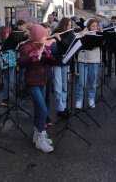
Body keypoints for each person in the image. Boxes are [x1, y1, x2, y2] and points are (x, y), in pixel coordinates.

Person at [18, 24, 55, 152]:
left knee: (39, 109)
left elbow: (52, 62)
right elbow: (21, 63)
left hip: (42, 81)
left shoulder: (42, 46)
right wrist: (31, 57)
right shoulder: (26, 47)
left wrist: (48, 55)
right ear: (38, 36)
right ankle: (40, 138)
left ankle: (37, 134)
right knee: (43, 110)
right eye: (44, 35)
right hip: (32, 82)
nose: (46, 37)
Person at [52, 17, 76, 117]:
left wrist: (60, 39)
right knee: (58, 86)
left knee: (64, 86)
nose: (70, 27)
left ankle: (64, 106)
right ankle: (60, 108)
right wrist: (54, 37)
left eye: (71, 25)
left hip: (66, 62)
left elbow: (68, 46)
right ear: (63, 25)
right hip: (57, 61)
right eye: (68, 25)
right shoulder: (56, 32)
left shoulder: (71, 35)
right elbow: (53, 47)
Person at [76, 19, 100, 109]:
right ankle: (79, 100)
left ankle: (91, 98)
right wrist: (80, 37)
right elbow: (76, 44)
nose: (94, 28)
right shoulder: (82, 33)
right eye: (93, 26)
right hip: (83, 60)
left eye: (96, 26)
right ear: (89, 26)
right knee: (81, 82)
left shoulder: (98, 34)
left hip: (94, 61)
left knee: (93, 82)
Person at [40, 22, 57, 126]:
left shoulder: (52, 41)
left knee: (47, 97)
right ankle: (42, 116)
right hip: (39, 72)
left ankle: (46, 116)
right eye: (46, 32)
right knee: (40, 97)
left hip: (49, 72)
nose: (48, 34)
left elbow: (52, 51)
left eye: (49, 32)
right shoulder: (37, 41)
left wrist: (45, 45)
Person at [0, 26, 17, 107]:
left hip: (11, 61)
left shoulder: (9, 41)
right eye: (6, 34)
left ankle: (6, 97)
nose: (8, 35)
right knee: (8, 80)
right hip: (6, 62)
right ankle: (5, 98)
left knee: (10, 80)